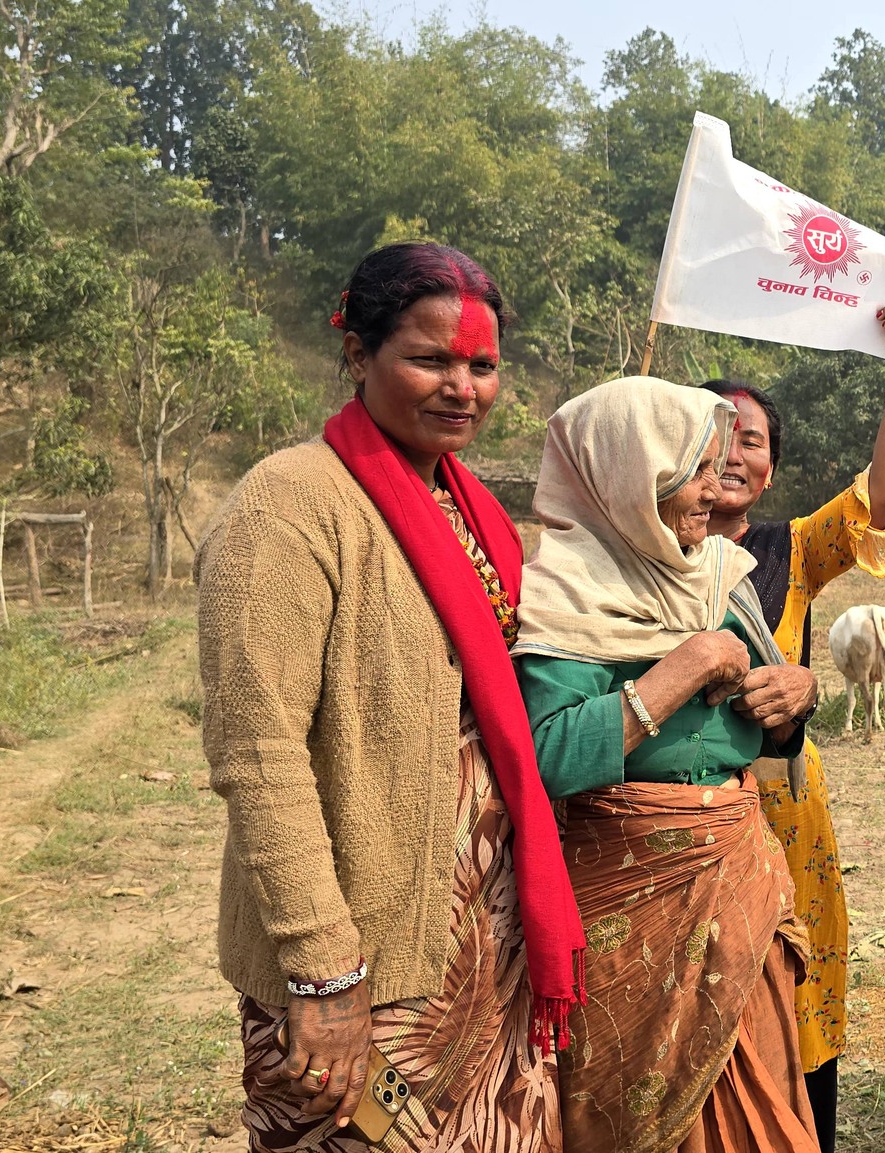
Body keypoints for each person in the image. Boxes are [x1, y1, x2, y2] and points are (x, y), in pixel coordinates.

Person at [199, 242, 585, 1152]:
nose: (463, 387)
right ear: (356, 353)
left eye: (482, 366)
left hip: (479, 943)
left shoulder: (469, 509)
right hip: (360, 959)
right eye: (430, 358)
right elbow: (258, 755)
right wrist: (326, 974)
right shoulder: (289, 506)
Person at [512, 378, 821, 1153]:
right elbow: (543, 753)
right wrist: (683, 667)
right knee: (635, 1113)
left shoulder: (716, 573)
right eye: (696, 468)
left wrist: (794, 698)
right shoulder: (566, 592)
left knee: (758, 1109)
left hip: (737, 871)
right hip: (626, 898)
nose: (717, 490)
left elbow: (763, 722)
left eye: (722, 466)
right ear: (631, 474)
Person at [699, 258, 885, 1150]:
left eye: (752, 438)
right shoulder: (623, 556)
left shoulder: (790, 547)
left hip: (782, 810)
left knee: (794, 984)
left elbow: (883, 500)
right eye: (713, 432)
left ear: (773, 463)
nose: (733, 450)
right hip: (667, 820)